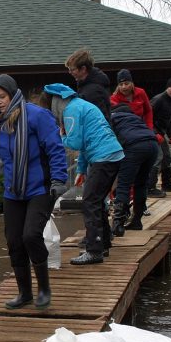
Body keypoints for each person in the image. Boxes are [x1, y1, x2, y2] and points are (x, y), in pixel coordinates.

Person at [0, 74, 69, 310]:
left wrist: (59, 179)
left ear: (13, 94)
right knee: (14, 241)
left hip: (41, 189)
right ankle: (24, 294)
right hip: (13, 192)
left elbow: (55, 149)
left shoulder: (37, 116)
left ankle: (44, 289)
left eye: (2, 96)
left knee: (31, 236)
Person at [39, 83, 123, 265]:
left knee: (89, 201)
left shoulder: (70, 111)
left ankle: (93, 251)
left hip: (103, 157)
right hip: (112, 155)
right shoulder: (81, 105)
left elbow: (75, 142)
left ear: (55, 102)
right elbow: (85, 142)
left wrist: (59, 136)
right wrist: (81, 170)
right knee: (97, 200)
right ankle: (104, 244)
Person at [108, 104, 159, 236]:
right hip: (153, 146)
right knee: (141, 184)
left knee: (124, 185)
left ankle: (118, 225)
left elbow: (109, 141)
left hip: (133, 146)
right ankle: (137, 221)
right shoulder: (136, 119)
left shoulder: (112, 118)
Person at [65, 48, 111, 121]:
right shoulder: (86, 85)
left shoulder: (93, 91)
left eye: (72, 69)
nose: (70, 72)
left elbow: (99, 119)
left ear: (83, 69)